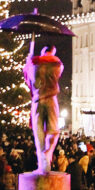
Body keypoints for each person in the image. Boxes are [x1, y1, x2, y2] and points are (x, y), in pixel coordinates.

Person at [24, 42, 64, 173]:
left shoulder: (34, 64)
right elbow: (58, 73)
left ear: (42, 51)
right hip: (51, 98)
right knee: (53, 130)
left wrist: (28, 62)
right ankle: (48, 153)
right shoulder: (57, 64)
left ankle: (42, 162)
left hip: (37, 100)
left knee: (38, 132)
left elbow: (28, 79)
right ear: (52, 51)